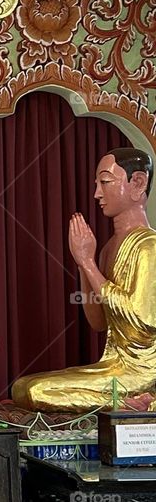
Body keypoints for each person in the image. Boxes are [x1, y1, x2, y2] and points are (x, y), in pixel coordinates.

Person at [12, 147, 156, 410]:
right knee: (23, 386)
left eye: (105, 182)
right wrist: (83, 263)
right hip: (113, 365)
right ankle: (122, 402)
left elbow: (142, 324)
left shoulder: (149, 246)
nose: (97, 194)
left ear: (137, 183)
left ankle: (139, 402)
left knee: (35, 392)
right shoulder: (108, 248)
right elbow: (98, 322)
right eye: (96, 184)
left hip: (141, 372)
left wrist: (89, 263)